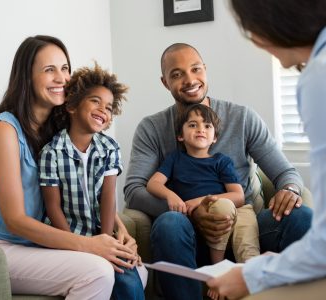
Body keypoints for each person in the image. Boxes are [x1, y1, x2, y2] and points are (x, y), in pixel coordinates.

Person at [124, 41, 313, 299]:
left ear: (205, 70)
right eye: (177, 74)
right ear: (165, 82)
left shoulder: (243, 118)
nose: (190, 80)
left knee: (301, 217)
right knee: (169, 223)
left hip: (244, 227)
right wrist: (191, 211)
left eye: (195, 69)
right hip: (185, 235)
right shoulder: (152, 128)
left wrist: (289, 190)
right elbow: (134, 190)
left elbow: (285, 174)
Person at [0, 35, 140, 299]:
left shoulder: (59, 130)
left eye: (65, 68)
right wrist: (89, 245)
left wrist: (118, 232)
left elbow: (87, 192)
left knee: (134, 271)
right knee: (98, 271)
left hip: (40, 244)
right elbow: (14, 220)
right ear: (27, 77)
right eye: (49, 70)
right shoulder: (5, 130)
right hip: (1, 247)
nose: (61, 78)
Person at [206, 1, 326, 299]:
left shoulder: (318, 77)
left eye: (249, 28)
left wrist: (253, 275)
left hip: (248, 215)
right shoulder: (155, 129)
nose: (253, 40)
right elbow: (138, 189)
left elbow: (322, 244)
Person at [38, 62, 146, 299]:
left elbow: (108, 199)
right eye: (95, 101)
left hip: (100, 233)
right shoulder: (51, 152)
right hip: (65, 235)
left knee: (126, 272)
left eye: (108, 107)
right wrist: (75, 245)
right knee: (117, 275)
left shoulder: (109, 148)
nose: (102, 110)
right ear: (72, 105)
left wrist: (107, 243)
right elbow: (52, 207)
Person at [147, 103, 259, 266]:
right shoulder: (175, 158)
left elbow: (238, 196)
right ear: (181, 135)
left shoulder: (221, 161)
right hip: (204, 215)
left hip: (237, 210)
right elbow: (153, 183)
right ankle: (218, 268)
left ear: (214, 138)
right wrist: (170, 195)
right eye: (193, 125)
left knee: (247, 245)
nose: (201, 129)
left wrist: (198, 200)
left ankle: (251, 276)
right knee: (221, 208)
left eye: (207, 126)